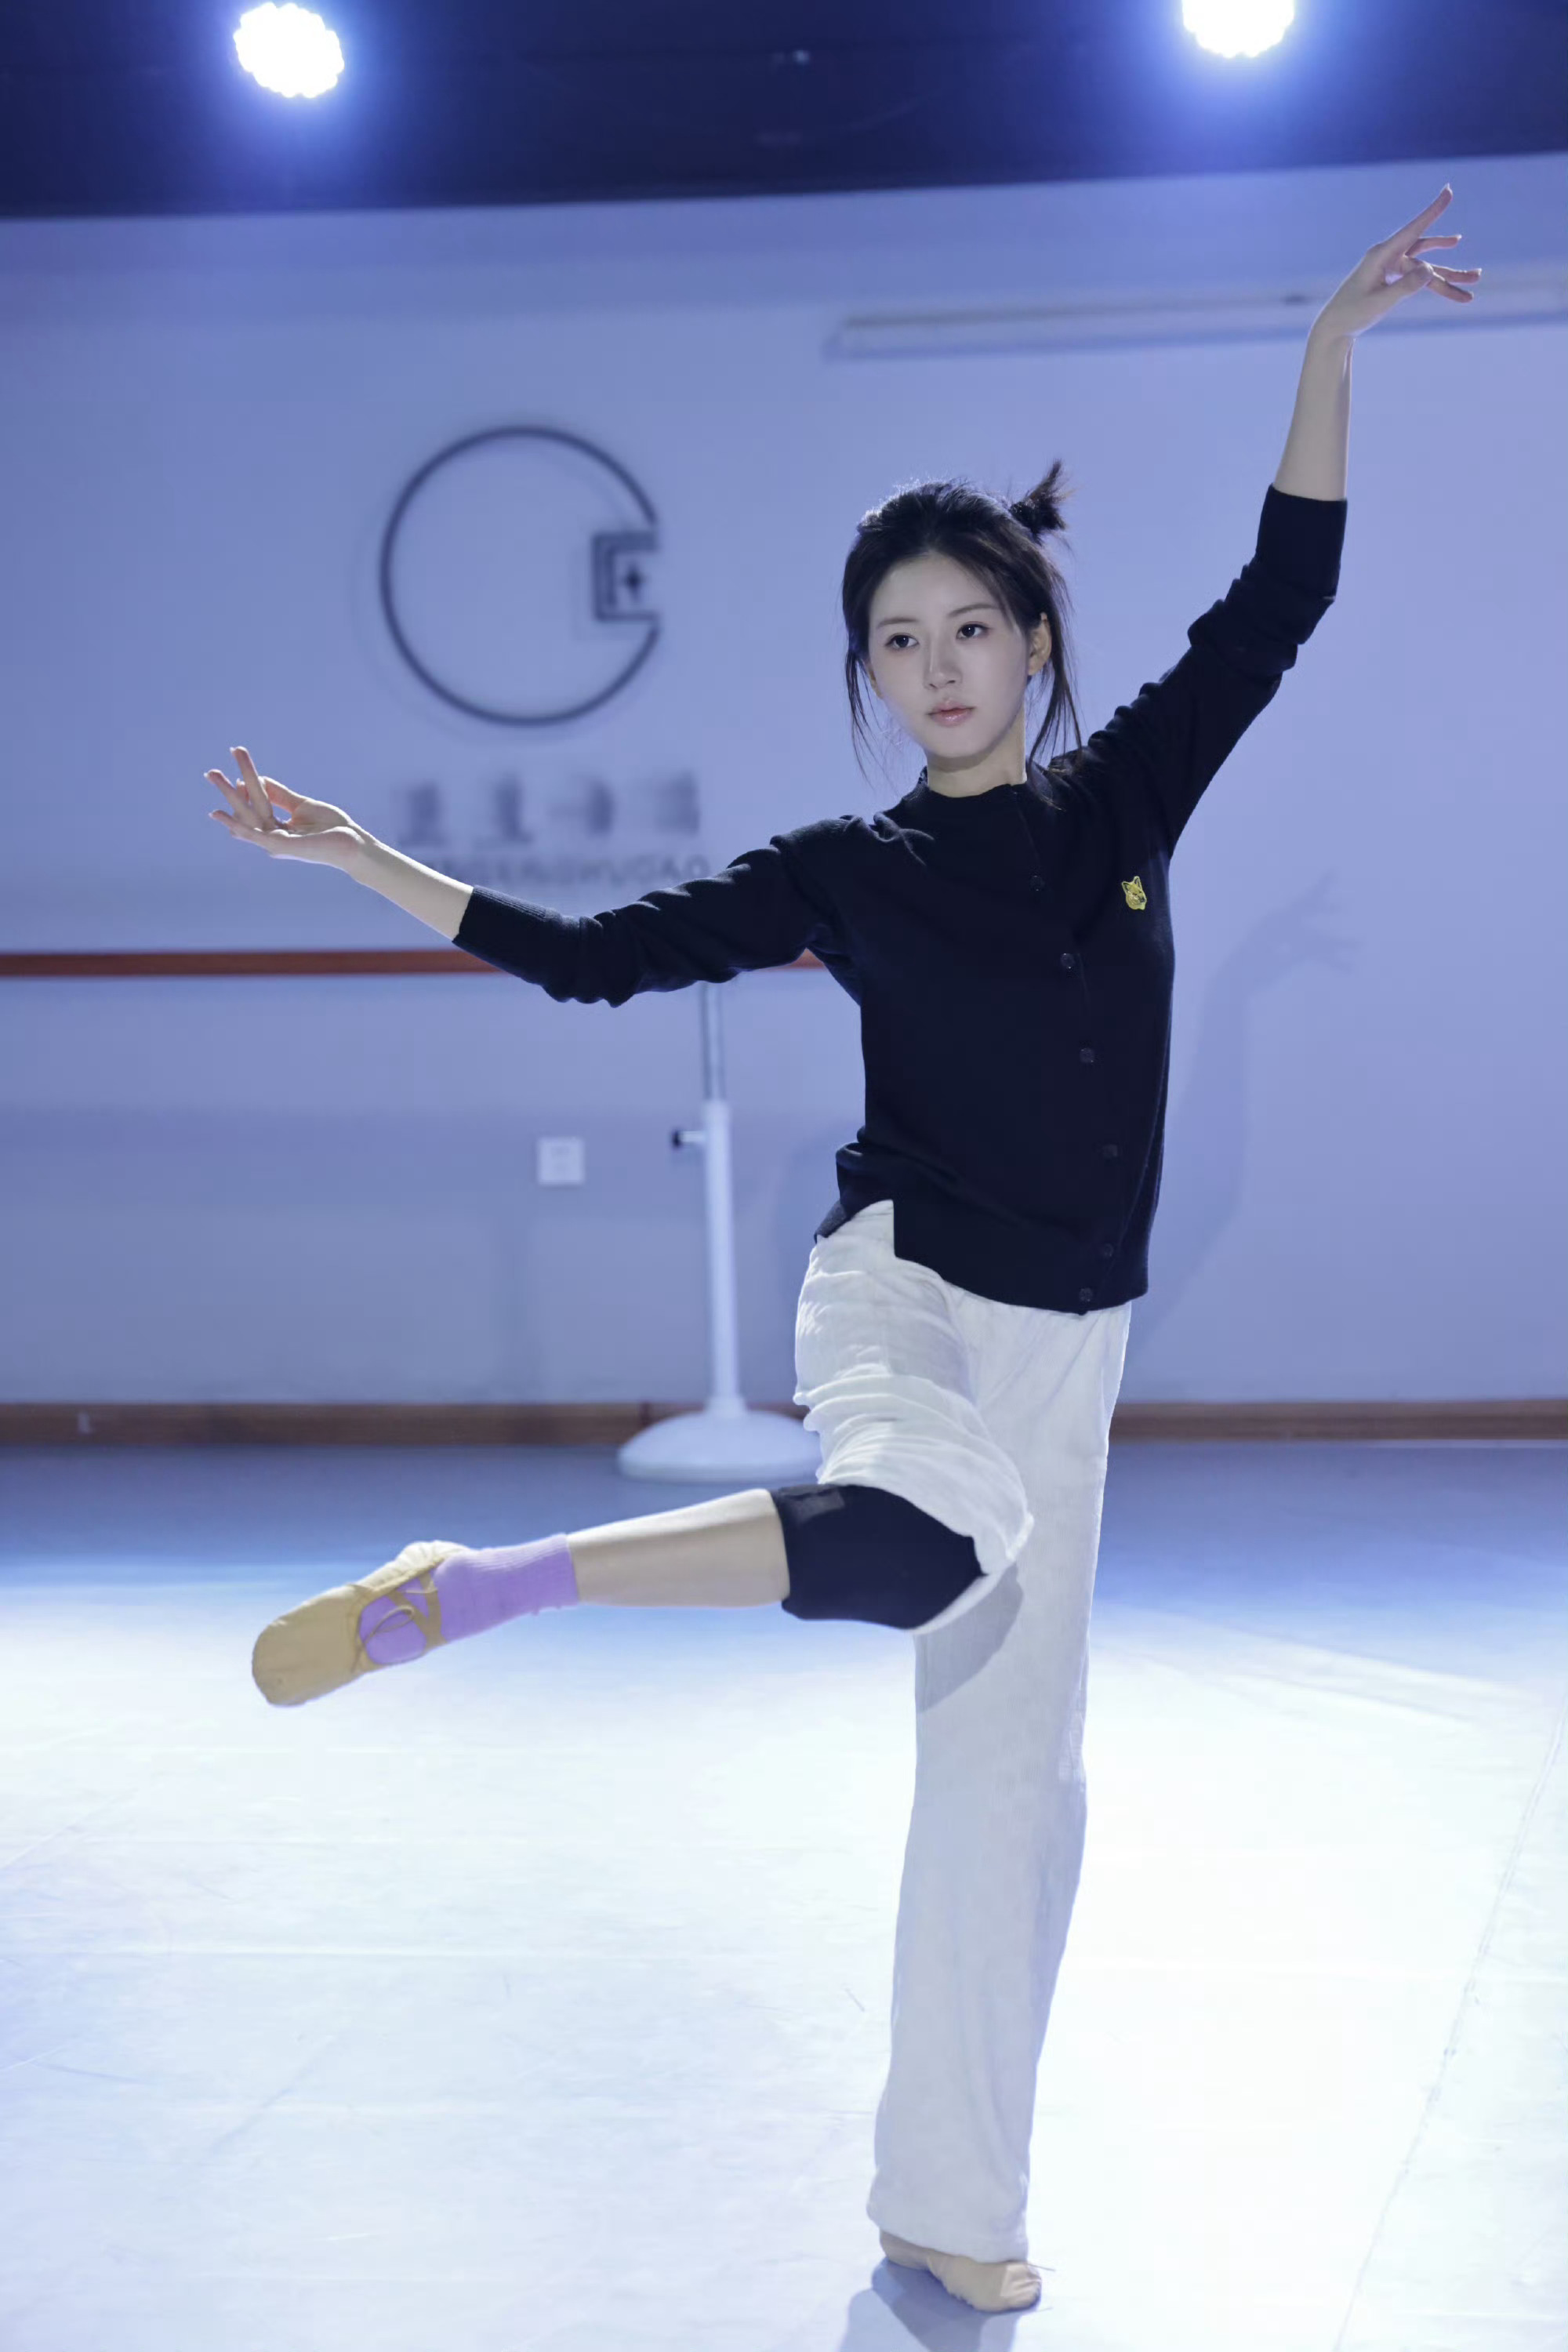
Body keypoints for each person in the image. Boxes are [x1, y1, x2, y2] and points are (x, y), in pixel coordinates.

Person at [207, 192, 1475, 2315]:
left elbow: (1287, 592)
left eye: (970, 626)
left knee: (1013, 1808)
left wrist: (1331, 341)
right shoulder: (849, 870)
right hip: (904, 1289)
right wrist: (359, 856)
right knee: (912, 1539)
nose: (937, 666)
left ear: (1033, 642)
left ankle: (948, 2213)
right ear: (870, 675)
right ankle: (488, 1586)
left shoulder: (1125, 806)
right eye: (897, 640)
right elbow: (591, 960)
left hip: (1073, 1347)